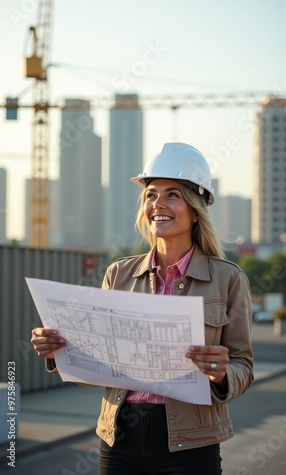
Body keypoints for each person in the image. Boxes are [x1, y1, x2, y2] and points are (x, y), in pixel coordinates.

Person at [31, 141, 254, 475]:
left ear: (195, 208)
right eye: (151, 194)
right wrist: (58, 351)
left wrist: (221, 375)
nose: (158, 204)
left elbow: (244, 367)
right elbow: (100, 367)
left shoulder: (227, 279)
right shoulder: (118, 274)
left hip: (190, 444)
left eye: (172, 195)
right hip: (118, 439)